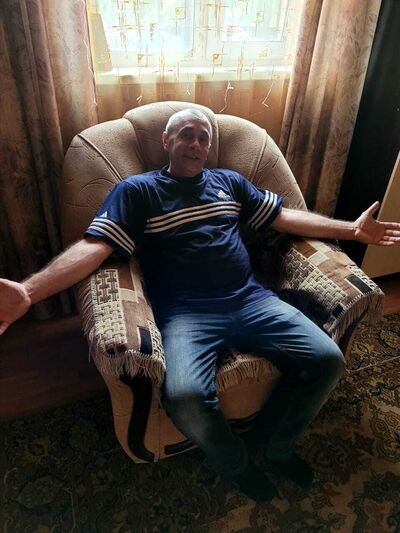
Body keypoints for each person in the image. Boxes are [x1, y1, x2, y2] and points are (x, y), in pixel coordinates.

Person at [1, 109, 399, 503]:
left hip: (250, 300)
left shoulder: (229, 182)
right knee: (185, 397)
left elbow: (284, 217)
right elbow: (95, 247)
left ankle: (273, 445)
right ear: (166, 141)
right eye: (187, 134)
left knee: (327, 360)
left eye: (203, 138)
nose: (196, 144)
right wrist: (30, 291)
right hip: (185, 315)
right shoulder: (137, 191)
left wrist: (351, 229)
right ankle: (235, 462)